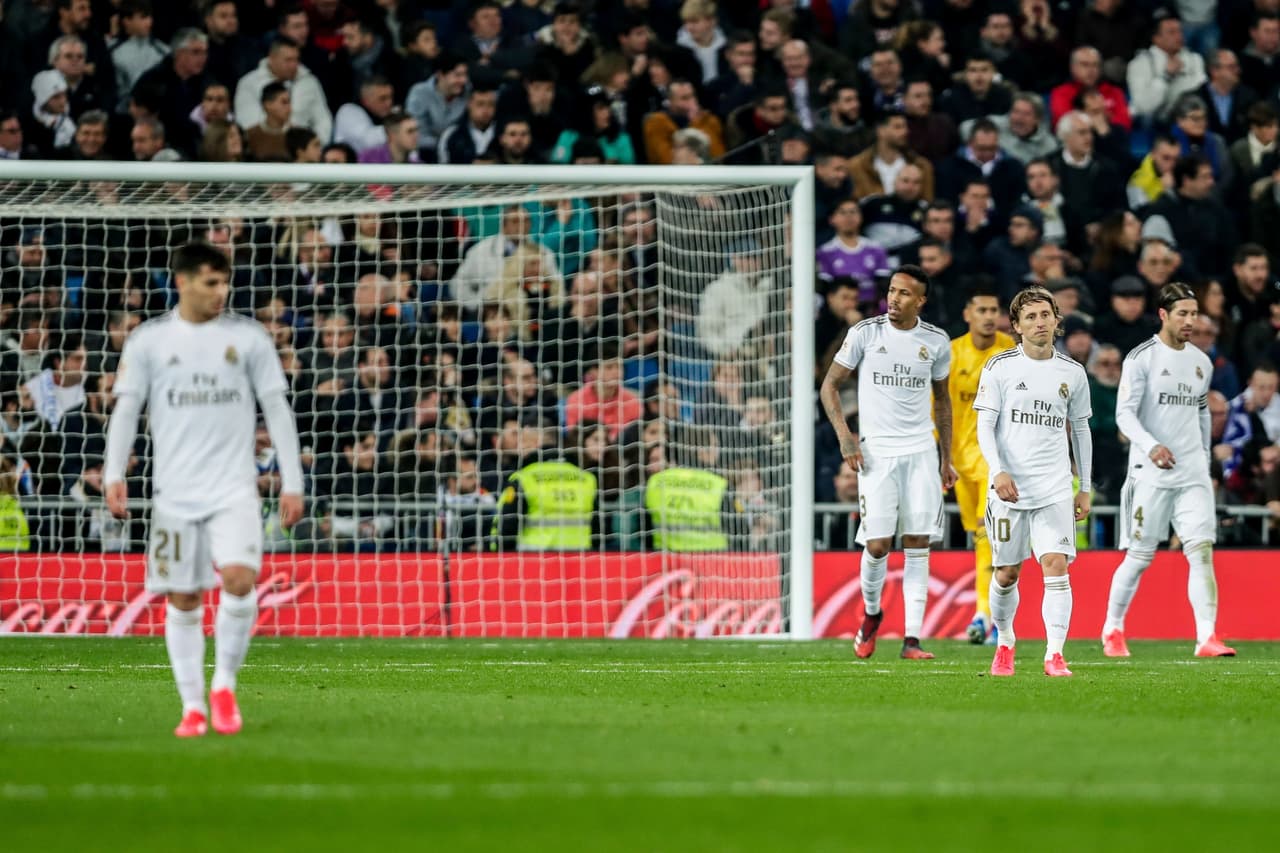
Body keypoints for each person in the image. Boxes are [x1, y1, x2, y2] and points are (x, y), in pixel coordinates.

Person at [104, 242, 304, 737]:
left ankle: (225, 685)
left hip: (234, 488)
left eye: (225, 282)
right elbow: (126, 410)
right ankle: (192, 706)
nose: (222, 292)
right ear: (182, 282)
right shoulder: (149, 341)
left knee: (239, 578)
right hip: (173, 494)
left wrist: (293, 480)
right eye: (211, 283)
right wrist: (113, 473)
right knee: (184, 598)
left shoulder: (249, 338)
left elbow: (277, 409)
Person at [819, 265, 954, 660]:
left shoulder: (935, 341)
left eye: (904, 294)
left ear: (921, 301)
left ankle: (912, 639)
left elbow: (943, 401)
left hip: (920, 452)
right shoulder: (866, 333)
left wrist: (946, 457)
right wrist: (846, 436)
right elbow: (829, 386)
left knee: (917, 543)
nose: (894, 299)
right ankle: (872, 614)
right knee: (877, 545)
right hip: (877, 451)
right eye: (891, 291)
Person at [1102, 282, 1237, 659]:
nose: (1191, 320)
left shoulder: (1201, 362)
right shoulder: (1141, 358)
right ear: (1163, 315)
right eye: (1183, 313)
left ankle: (1206, 637)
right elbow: (1124, 415)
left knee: (1201, 551)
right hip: (1150, 473)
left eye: (1194, 313)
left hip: (1192, 472)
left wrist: (1206, 463)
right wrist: (1152, 446)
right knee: (1141, 555)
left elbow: (1200, 413)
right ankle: (1112, 628)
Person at [975, 285, 1093, 677]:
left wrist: (1086, 487)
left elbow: (1080, 431)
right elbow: (984, 427)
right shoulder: (1000, 367)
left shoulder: (1072, 373)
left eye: (1045, 315)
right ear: (1017, 326)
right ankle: (1005, 642)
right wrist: (997, 471)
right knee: (1007, 573)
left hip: (1055, 487)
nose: (1039, 323)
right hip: (1009, 489)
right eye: (1030, 317)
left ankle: (1055, 654)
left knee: (1056, 565)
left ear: (1057, 321)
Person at [949, 286, 1016, 645]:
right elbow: (937, 410)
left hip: (996, 461)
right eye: (982, 309)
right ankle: (989, 616)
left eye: (994, 309)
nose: (989, 316)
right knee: (979, 538)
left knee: (985, 536)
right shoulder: (951, 353)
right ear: (968, 314)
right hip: (960, 464)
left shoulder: (1008, 351)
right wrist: (940, 456)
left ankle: (984, 615)